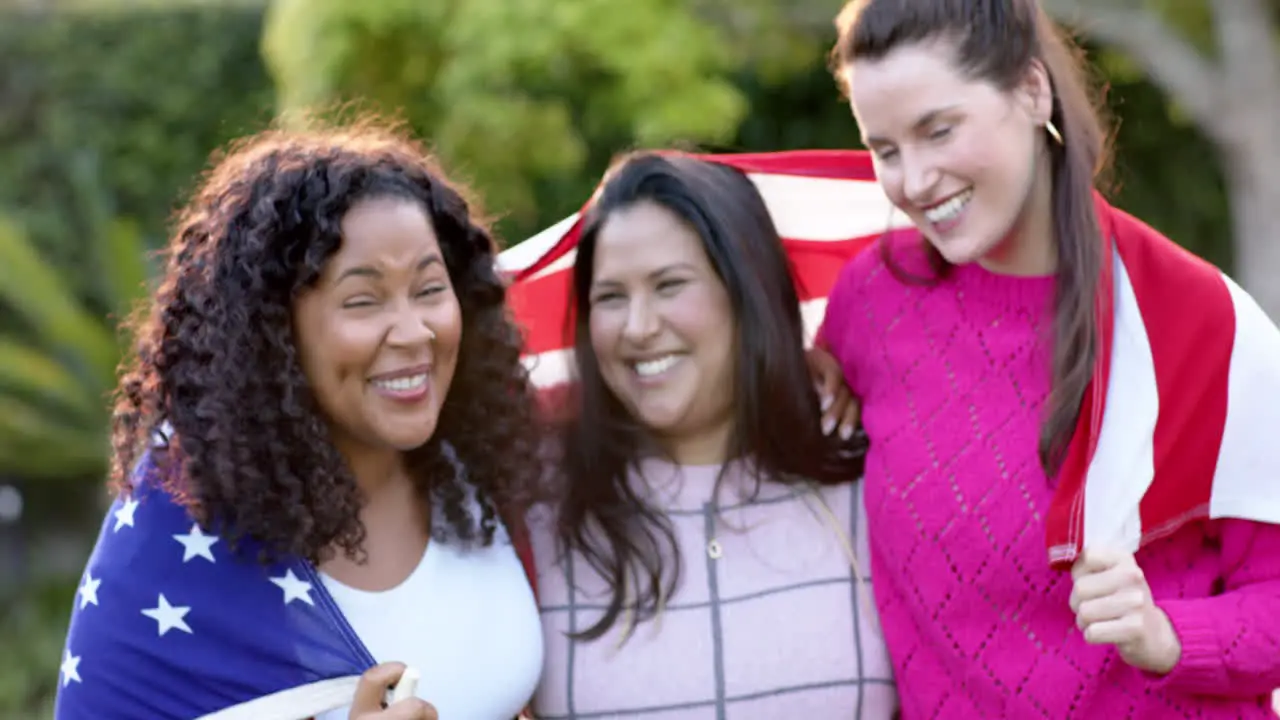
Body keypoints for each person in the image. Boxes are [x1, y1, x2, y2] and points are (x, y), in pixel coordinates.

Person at [811, 0, 1280, 717]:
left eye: (939, 130)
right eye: (885, 149)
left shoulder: (1193, 317)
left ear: (1032, 90)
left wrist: (1169, 634)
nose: (914, 179)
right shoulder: (871, 299)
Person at [54, 120, 545, 720]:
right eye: (363, 301)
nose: (415, 331)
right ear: (273, 333)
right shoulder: (176, 535)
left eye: (429, 289)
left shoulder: (481, 464)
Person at [529, 151, 897, 719]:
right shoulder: (534, 499)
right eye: (610, 297)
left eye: (670, 285)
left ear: (746, 293)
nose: (639, 327)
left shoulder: (869, 471)